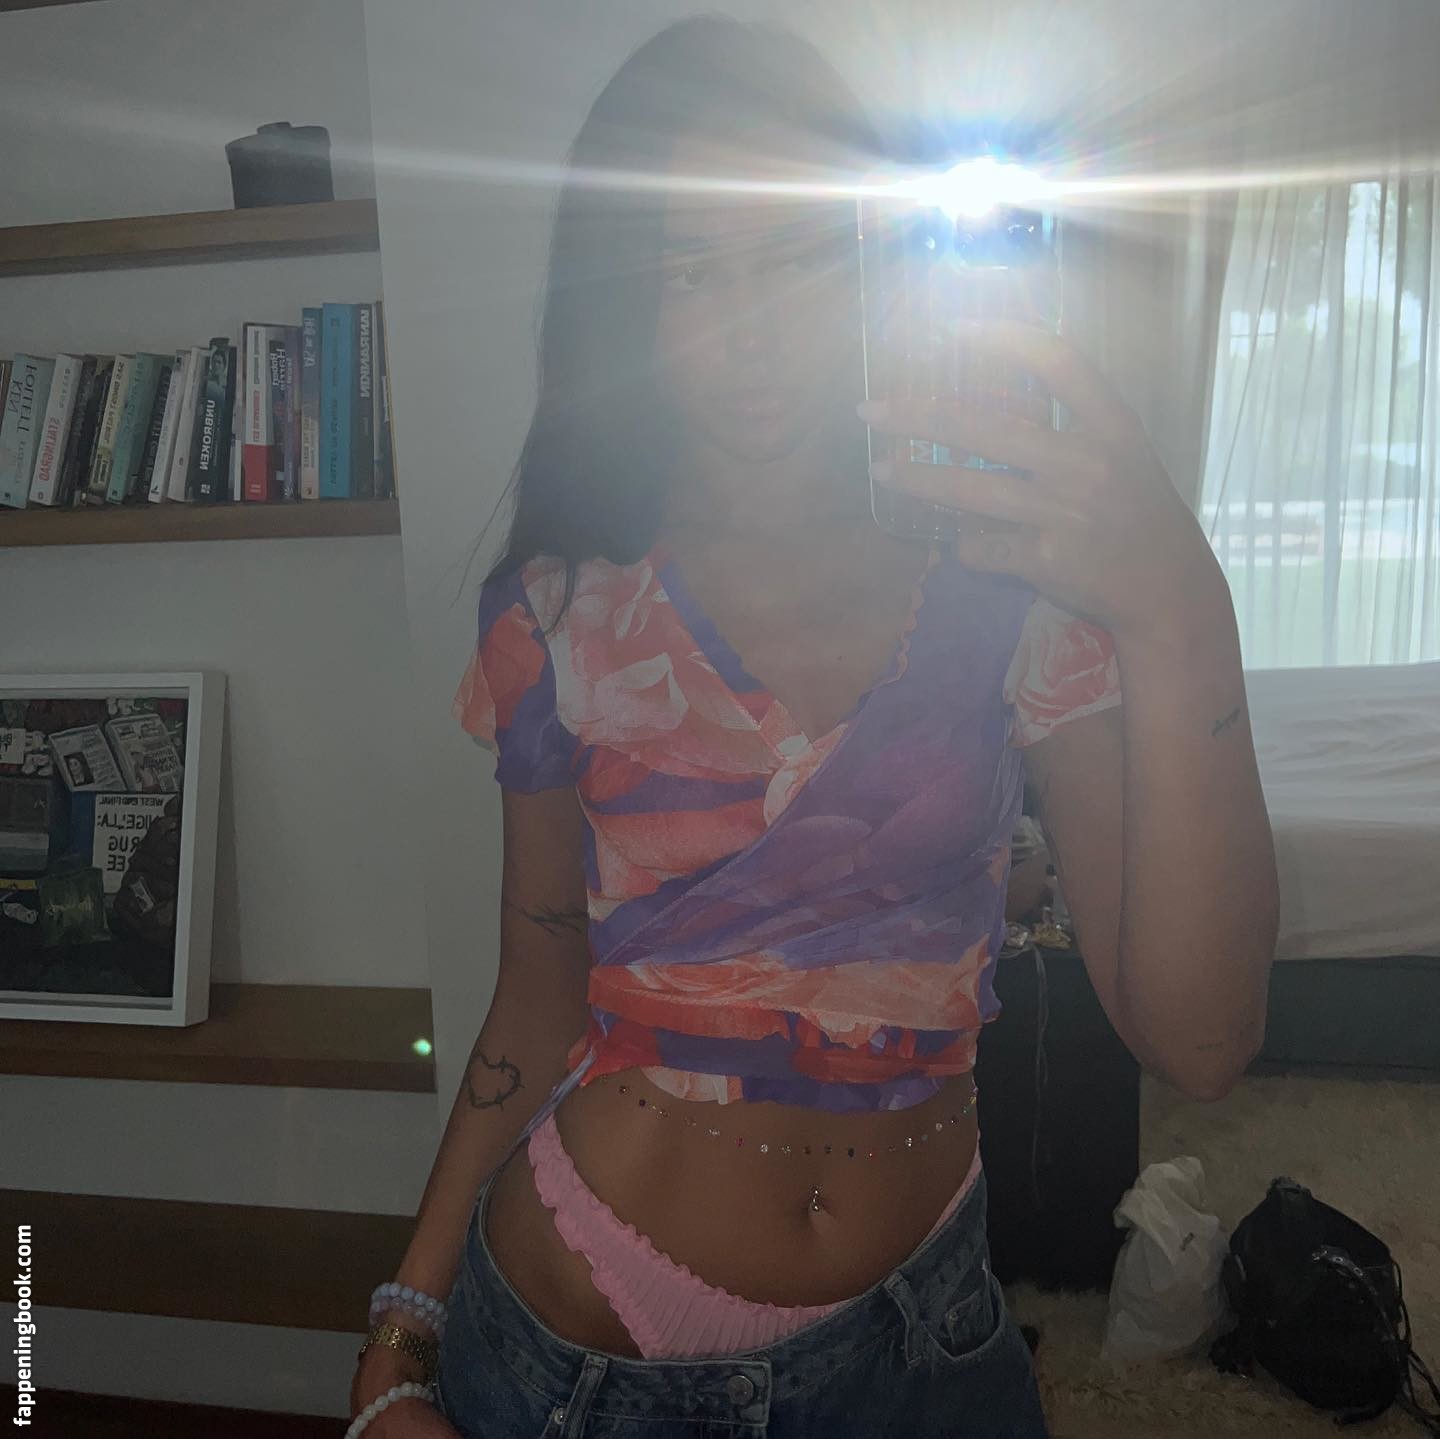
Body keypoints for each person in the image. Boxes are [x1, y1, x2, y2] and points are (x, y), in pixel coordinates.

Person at [348, 16, 1279, 1438]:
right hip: (588, 1364)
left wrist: (1179, 602)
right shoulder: (557, 613)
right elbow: (536, 1002)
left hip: (930, 1334)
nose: (750, 331)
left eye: (795, 256)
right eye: (689, 271)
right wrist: (401, 1333)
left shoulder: (1008, 577)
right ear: (626, 302)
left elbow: (1202, 1044)